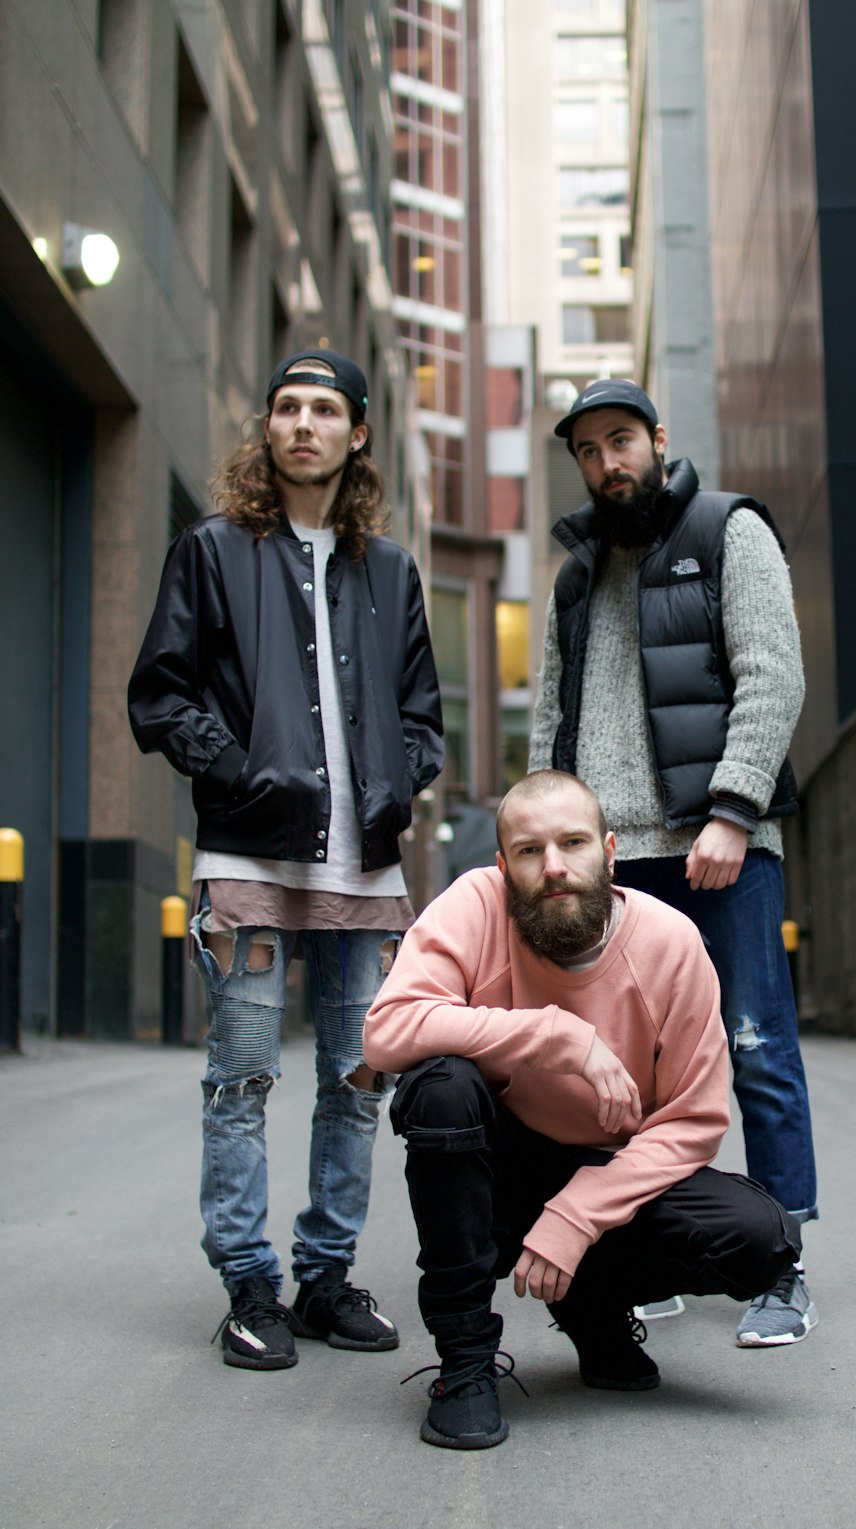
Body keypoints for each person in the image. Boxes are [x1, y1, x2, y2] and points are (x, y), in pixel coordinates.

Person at [128, 349, 443, 1370]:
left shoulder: (389, 570)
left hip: (366, 871)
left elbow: (421, 714)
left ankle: (324, 1276)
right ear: (268, 428)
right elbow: (161, 692)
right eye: (286, 407)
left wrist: (400, 782)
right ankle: (249, 1280)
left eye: (324, 408)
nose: (302, 422)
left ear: (357, 433)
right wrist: (238, 772)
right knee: (242, 1079)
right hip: (249, 856)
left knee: (357, 1080)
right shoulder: (212, 550)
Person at [364, 770, 802, 1449]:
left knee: (760, 1236)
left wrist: (574, 1216)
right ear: (503, 865)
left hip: (608, 1172)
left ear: (610, 849)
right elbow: (387, 1030)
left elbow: (695, 1121)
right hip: (498, 1170)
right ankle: (466, 1363)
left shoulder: (670, 943)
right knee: (440, 1083)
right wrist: (552, 1034)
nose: (555, 867)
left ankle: (594, 1308)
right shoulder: (474, 906)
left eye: (573, 843)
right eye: (531, 850)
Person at [527, 379, 818, 1347]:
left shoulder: (727, 530)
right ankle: (658, 1253)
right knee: (629, 1073)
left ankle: (780, 1263)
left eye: (621, 440)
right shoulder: (572, 575)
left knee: (755, 1044)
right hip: (614, 862)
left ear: (657, 438)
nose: (608, 462)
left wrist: (733, 810)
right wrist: (548, 839)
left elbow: (774, 672)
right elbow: (549, 720)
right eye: (588, 450)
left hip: (716, 845)